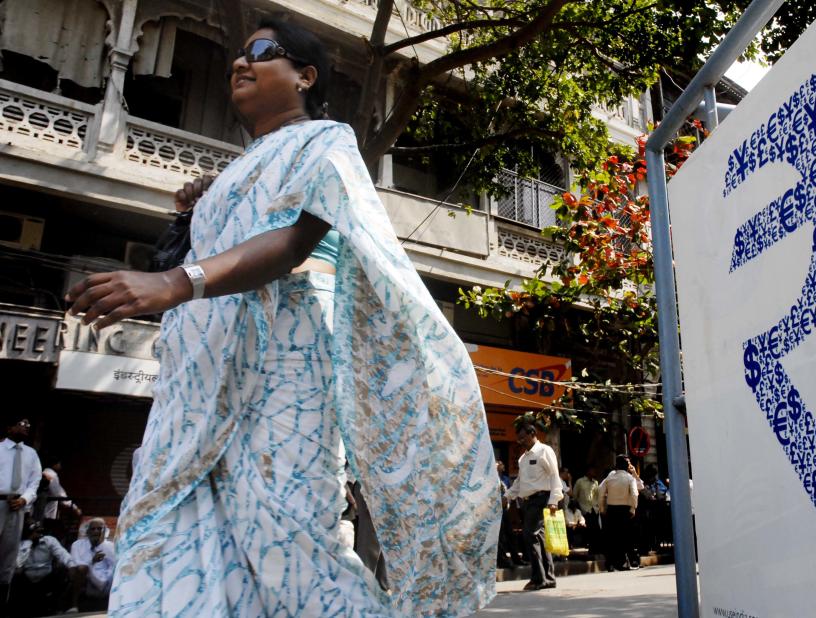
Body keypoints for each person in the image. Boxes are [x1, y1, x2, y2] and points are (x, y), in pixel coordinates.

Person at [65, 17, 499, 616]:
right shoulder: (243, 167)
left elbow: (293, 241)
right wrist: (208, 202)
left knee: (287, 541)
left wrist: (174, 280)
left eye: (262, 52)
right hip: (198, 387)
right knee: (176, 534)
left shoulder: (327, 141)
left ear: (305, 76)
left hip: (285, 363)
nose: (241, 63)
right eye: (238, 57)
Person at [503, 424, 563, 591]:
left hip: (541, 499)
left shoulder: (545, 450)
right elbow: (520, 482)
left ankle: (538, 578)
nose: (521, 441)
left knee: (530, 535)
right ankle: (548, 578)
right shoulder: (523, 458)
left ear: (532, 434)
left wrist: (554, 500)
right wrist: (507, 496)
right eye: (519, 438)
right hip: (527, 502)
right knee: (539, 539)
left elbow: (554, 475)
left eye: (523, 437)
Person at [0, 417, 41, 608]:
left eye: (28, 424)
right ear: (9, 427)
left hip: (18, 505)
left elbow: (35, 482)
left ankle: (3, 596)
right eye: (20, 424)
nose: (25, 427)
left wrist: (25, 498)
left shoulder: (31, 454)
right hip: (1, 500)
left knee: (9, 552)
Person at [11, 522, 74, 616]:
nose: (39, 534)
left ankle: (55, 605)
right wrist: (28, 543)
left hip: (46, 577)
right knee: (15, 576)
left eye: (40, 531)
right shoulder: (21, 544)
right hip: (27, 579)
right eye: (35, 532)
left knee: (63, 571)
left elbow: (62, 554)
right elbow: (18, 563)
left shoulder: (49, 540)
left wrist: (72, 565)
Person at [599, 455, 639, 572]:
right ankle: (624, 562)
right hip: (625, 511)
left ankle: (611, 563)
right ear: (627, 466)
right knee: (626, 537)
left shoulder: (609, 478)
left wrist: (602, 508)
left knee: (612, 538)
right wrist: (633, 508)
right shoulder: (630, 478)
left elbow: (601, 492)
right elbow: (635, 494)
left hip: (612, 510)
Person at [68, 518, 115, 611]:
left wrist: (104, 580)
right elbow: (76, 564)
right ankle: (74, 605)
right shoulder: (77, 545)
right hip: (85, 578)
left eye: (99, 529)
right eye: (93, 529)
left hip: (105, 581)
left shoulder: (110, 546)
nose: (96, 531)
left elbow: (113, 566)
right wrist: (91, 561)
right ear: (88, 531)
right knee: (81, 568)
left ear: (104, 531)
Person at [571, 467, 601, 555]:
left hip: (594, 509)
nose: (594, 472)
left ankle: (595, 549)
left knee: (595, 529)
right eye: (592, 470)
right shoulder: (580, 482)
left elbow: (598, 495)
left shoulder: (595, 482)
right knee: (588, 530)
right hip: (584, 509)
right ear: (588, 471)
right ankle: (590, 548)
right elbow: (574, 495)